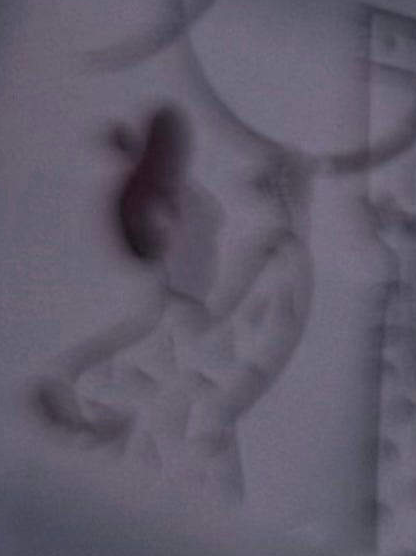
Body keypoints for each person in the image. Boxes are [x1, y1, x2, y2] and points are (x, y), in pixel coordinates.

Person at [33, 108, 310, 500]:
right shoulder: (175, 349)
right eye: (200, 225)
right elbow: (266, 311)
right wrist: (289, 218)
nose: (216, 226)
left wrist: (290, 217)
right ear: (160, 228)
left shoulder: (178, 340)